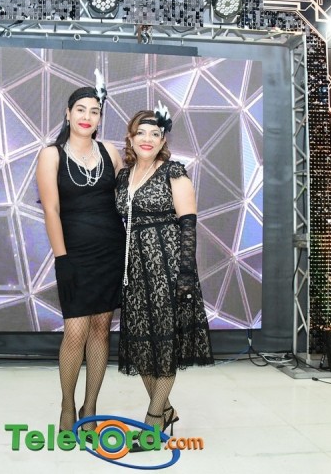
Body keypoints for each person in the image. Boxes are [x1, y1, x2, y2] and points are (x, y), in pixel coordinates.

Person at [114, 104, 214, 448]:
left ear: (163, 140)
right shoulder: (124, 177)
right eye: (140, 132)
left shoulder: (174, 171)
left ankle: (153, 421)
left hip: (168, 269)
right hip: (135, 271)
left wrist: (185, 275)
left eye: (155, 133)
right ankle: (167, 409)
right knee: (142, 344)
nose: (147, 138)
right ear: (130, 138)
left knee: (165, 344)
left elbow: (188, 225)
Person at [35, 72, 126, 434]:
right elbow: (51, 210)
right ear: (68, 113)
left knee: (101, 331)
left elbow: (127, 198)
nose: (87, 116)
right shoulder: (51, 154)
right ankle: (67, 405)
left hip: (111, 251)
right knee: (75, 332)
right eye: (81, 109)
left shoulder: (110, 152)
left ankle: (90, 407)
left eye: (95, 111)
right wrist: (62, 259)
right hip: (73, 255)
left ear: (100, 118)